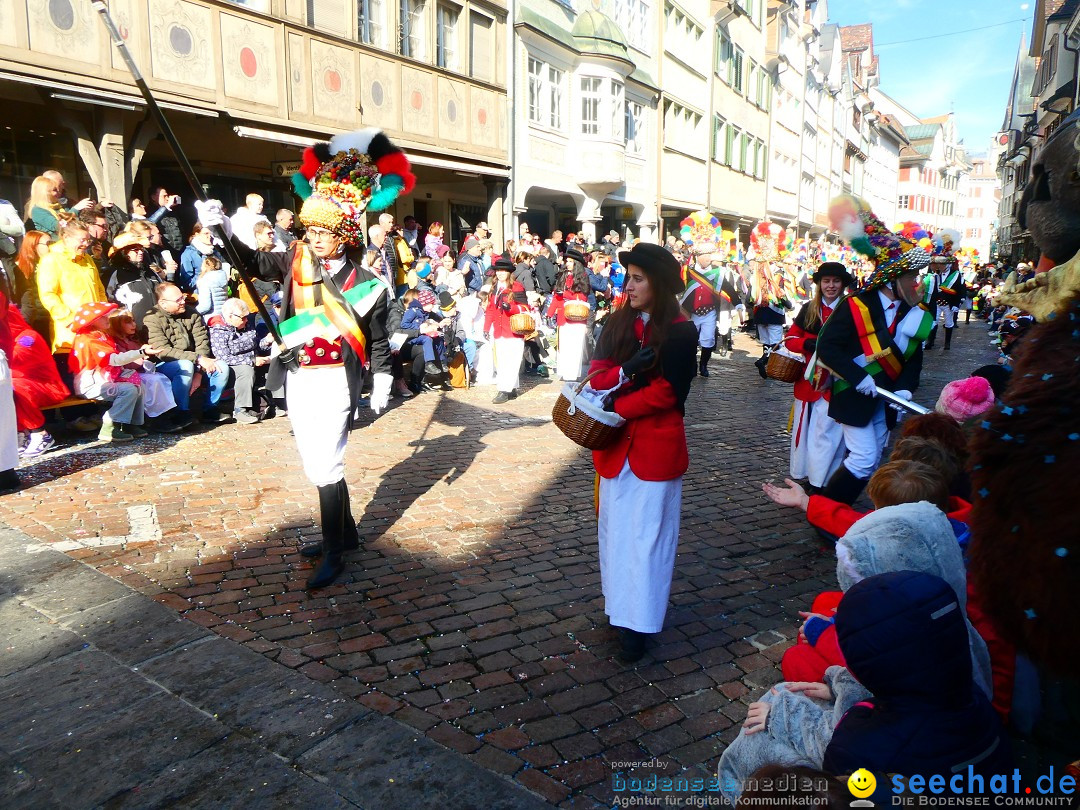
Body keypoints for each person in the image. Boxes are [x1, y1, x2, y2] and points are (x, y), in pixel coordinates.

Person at [214, 127, 408, 589]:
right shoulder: (293, 261)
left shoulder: (366, 282)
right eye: (312, 231)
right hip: (298, 372)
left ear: (342, 235)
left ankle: (334, 550)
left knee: (326, 461)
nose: (316, 239)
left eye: (325, 232)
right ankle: (347, 533)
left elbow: (377, 337)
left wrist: (381, 378)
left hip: (338, 379)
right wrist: (220, 229)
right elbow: (252, 264)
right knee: (312, 457)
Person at [586, 243, 697, 662]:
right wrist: (625, 373)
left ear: (659, 285)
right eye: (627, 276)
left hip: (656, 448)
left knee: (649, 539)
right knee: (616, 536)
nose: (627, 285)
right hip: (615, 448)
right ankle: (618, 609)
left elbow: (671, 391)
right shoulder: (615, 322)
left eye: (637, 278)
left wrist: (619, 404)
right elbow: (596, 378)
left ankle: (641, 623)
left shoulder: (683, 331)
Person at [814, 196, 933, 504]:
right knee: (864, 458)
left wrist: (906, 388)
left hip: (887, 398)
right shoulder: (856, 306)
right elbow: (827, 347)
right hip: (855, 395)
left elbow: (913, 357)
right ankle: (825, 511)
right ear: (893, 278)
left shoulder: (913, 310)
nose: (917, 282)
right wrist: (858, 377)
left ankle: (834, 509)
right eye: (912, 276)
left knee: (872, 457)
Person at [784, 262, 853, 491]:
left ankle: (821, 481)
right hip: (807, 382)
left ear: (842, 284)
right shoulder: (808, 310)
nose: (831, 286)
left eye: (835, 281)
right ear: (819, 284)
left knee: (826, 433)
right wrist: (808, 343)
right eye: (826, 281)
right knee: (803, 431)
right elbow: (790, 340)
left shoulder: (851, 309)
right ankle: (804, 474)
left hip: (835, 382)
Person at [68, 301, 156, 443]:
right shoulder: (90, 340)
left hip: (105, 379)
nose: (107, 319)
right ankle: (110, 426)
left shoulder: (101, 336)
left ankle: (129, 424)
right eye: (103, 317)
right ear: (93, 321)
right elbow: (113, 360)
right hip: (91, 384)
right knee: (128, 390)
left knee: (138, 385)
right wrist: (141, 352)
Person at [144, 282, 230, 425]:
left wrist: (198, 372)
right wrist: (197, 359)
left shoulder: (192, 313)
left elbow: (202, 342)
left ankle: (210, 409)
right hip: (166, 364)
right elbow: (163, 351)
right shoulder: (152, 318)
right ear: (163, 303)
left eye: (182, 297)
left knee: (221, 368)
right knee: (185, 366)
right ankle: (181, 412)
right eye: (178, 300)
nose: (183, 302)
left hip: (196, 362)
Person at [36, 220, 106, 361]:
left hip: (94, 328)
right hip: (70, 332)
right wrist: (69, 318)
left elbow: (99, 289)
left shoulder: (87, 259)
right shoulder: (51, 260)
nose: (86, 244)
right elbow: (48, 295)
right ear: (67, 238)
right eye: (82, 240)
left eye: (88, 240)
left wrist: (103, 314)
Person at [106, 309, 184, 433]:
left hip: (139, 372)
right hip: (125, 375)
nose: (134, 325)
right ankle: (156, 419)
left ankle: (164, 415)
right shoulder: (115, 343)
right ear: (117, 325)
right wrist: (139, 359)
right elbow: (120, 363)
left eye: (133, 321)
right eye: (128, 322)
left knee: (159, 379)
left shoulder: (133, 340)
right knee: (153, 381)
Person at [207, 298, 267, 424]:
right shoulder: (218, 329)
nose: (246, 320)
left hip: (252, 359)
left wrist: (267, 341)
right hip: (230, 366)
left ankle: (274, 403)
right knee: (246, 370)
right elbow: (224, 357)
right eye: (243, 318)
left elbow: (255, 344)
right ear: (230, 316)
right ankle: (241, 410)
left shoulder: (245, 324)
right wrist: (251, 360)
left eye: (247, 317)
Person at [484, 256, 529, 404]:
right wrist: (486, 327)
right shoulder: (494, 288)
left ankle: (504, 389)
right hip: (498, 330)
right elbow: (490, 309)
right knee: (502, 361)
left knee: (512, 360)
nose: (500, 273)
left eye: (503, 271)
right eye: (498, 271)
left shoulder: (517, 287)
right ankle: (512, 388)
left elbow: (525, 308)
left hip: (513, 330)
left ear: (509, 272)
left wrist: (512, 308)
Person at [547, 249, 591, 382]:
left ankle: (572, 374)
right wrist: (550, 313)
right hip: (562, 315)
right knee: (564, 346)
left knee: (574, 347)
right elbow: (556, 296)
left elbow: (582, 297)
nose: (567, 264)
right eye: (567, 261)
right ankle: (565, 372)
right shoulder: (563, 276)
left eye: (571, 261)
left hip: (576, 316)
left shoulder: (582, 276)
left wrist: (565, 294)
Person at [106, 231, 163, 327]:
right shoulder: (115, 273)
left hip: (159, 325)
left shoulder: (150, 271)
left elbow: (162, 292)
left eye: (141, 249)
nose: (141, 252)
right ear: (124, 252)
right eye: (135, 250)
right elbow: (108, 301)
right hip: (133, 328)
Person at [13, 230, 53, 340]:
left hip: (51, 315)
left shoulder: (53, 264)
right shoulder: (19, 267)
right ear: (34, 246)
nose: (52, 247)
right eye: (48, 243)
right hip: (36, 319)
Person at [179, 223, 226, 295]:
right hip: (201, 296)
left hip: (220, 293)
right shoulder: (188, 254)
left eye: (211, 233)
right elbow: (186, 284)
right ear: (197, 234)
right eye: (206, 233)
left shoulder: (214, 250)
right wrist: (204, 275)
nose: (210, 236)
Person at [146, 187, 185, 255]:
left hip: (180, 251)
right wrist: (166, 207)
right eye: (164, 196)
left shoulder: (173, 211)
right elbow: (150, 222)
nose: (167, 198)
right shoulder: (148, 212)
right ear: (153, 197)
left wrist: (176, 203)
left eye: (167, 196)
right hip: (164, 253)